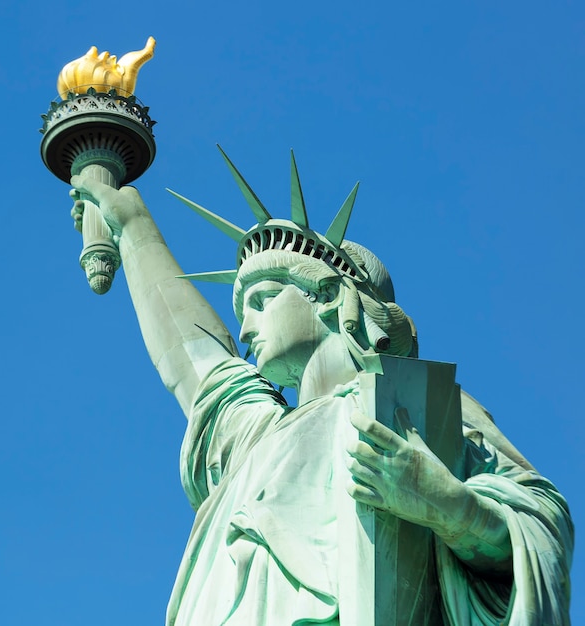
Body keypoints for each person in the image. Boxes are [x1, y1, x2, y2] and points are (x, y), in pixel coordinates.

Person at [70, 152, 573, 625]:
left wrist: (448, 504)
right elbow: (196, 363)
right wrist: (131, 227)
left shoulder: (414, 410)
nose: (243, 330)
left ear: (329, 296)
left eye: (261, 300)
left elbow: (543, 525)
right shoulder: (258, 437)